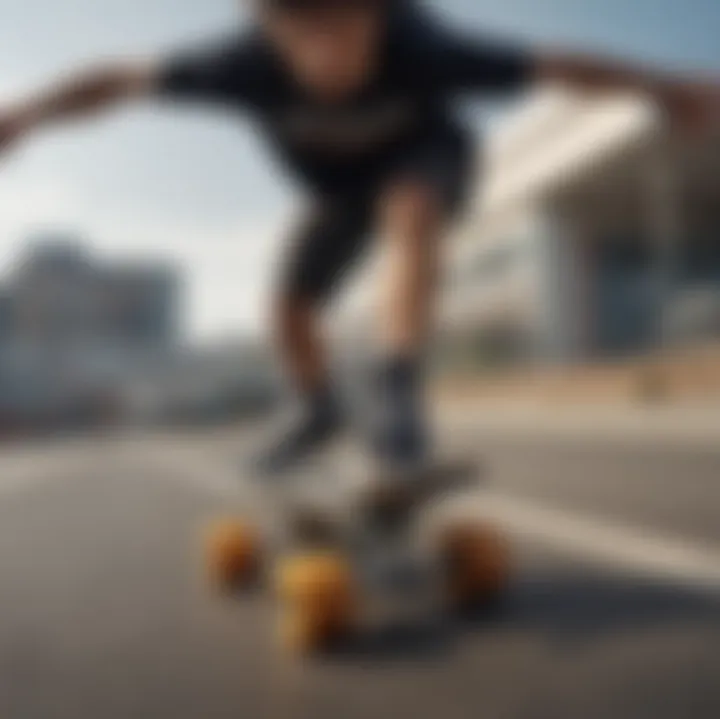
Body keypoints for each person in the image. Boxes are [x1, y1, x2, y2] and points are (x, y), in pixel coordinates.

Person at [1, 0, 718, 477]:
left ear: (379, 13)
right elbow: (119, 79)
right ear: (274, 31)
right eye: (308, 41)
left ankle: (398, 394)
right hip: (335, 196)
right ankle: (319, 411)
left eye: (349, 33)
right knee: (285, 309)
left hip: (427, 159)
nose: (332, 60)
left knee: (407, 208)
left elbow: (560, 64)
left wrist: (661, 87)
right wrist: (30, 112)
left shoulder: (425, 44)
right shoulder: (237, 63)